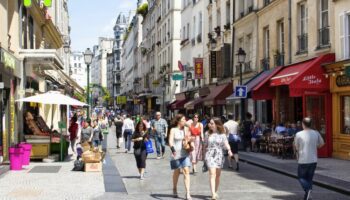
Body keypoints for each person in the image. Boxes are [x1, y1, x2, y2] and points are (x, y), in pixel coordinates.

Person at [294, 117, 325, 200]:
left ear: (303, 124)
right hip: (313, 159)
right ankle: (308, 196)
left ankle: (308, 190)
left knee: (301, 177)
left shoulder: (299, 134)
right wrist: (315, 147)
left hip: (303, 160)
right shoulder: (316, 133)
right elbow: (322, 143)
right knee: (309, 178)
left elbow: (296, 147)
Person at [204, 118, 233, 200]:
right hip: (210, 154)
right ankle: (213, 193)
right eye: (210, 123)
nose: (210, 125)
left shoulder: (222, 135)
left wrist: (229, 150)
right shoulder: (207, 134)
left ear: (217, 124)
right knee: (212, 174)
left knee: (218, 175)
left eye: (212, 123)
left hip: (219, 155)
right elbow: (205, 145)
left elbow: (226, 144)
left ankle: (215, 191)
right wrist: (203, 156)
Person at [168, 114, 192, 200]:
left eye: (185, 119)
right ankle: (174, 188)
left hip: (185, 153)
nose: (185, 121)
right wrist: (173, 150)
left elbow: (190, 138)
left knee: (186, 171)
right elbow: (170, 141)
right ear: (178, 121)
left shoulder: (186, 129)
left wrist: (189, 140)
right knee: (177, 172)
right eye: (183, 119)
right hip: (176, 153)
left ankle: (188, 193)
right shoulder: (173, 130)